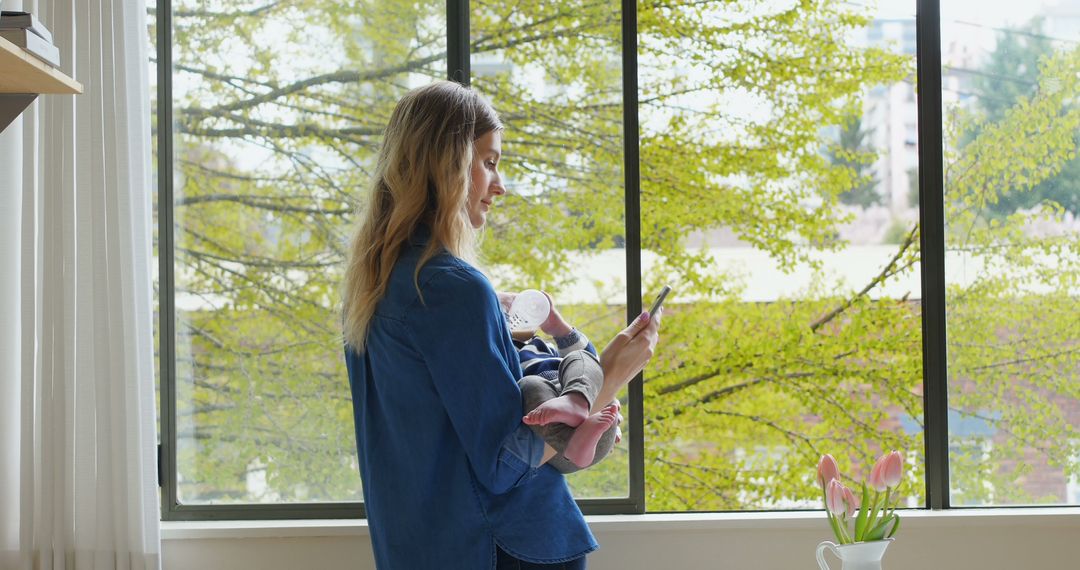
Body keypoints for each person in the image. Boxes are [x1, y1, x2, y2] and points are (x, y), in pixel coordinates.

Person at [341, 80, 661, 570]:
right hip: (503, 550)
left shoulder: (373, 286)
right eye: (489, 162)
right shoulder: (452, 289)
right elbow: (503, 464)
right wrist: (611, 372)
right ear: (445, 163)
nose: (500, 184)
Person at [499, 291, 621, 473]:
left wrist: (558, 328)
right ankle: (579, 442)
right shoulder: (502, 351)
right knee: (530, 384)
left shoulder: (546, 347)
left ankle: (576, 400)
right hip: (555, 444)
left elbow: (592, 362)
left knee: (581, 357)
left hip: (593, 417)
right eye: (505, 312)